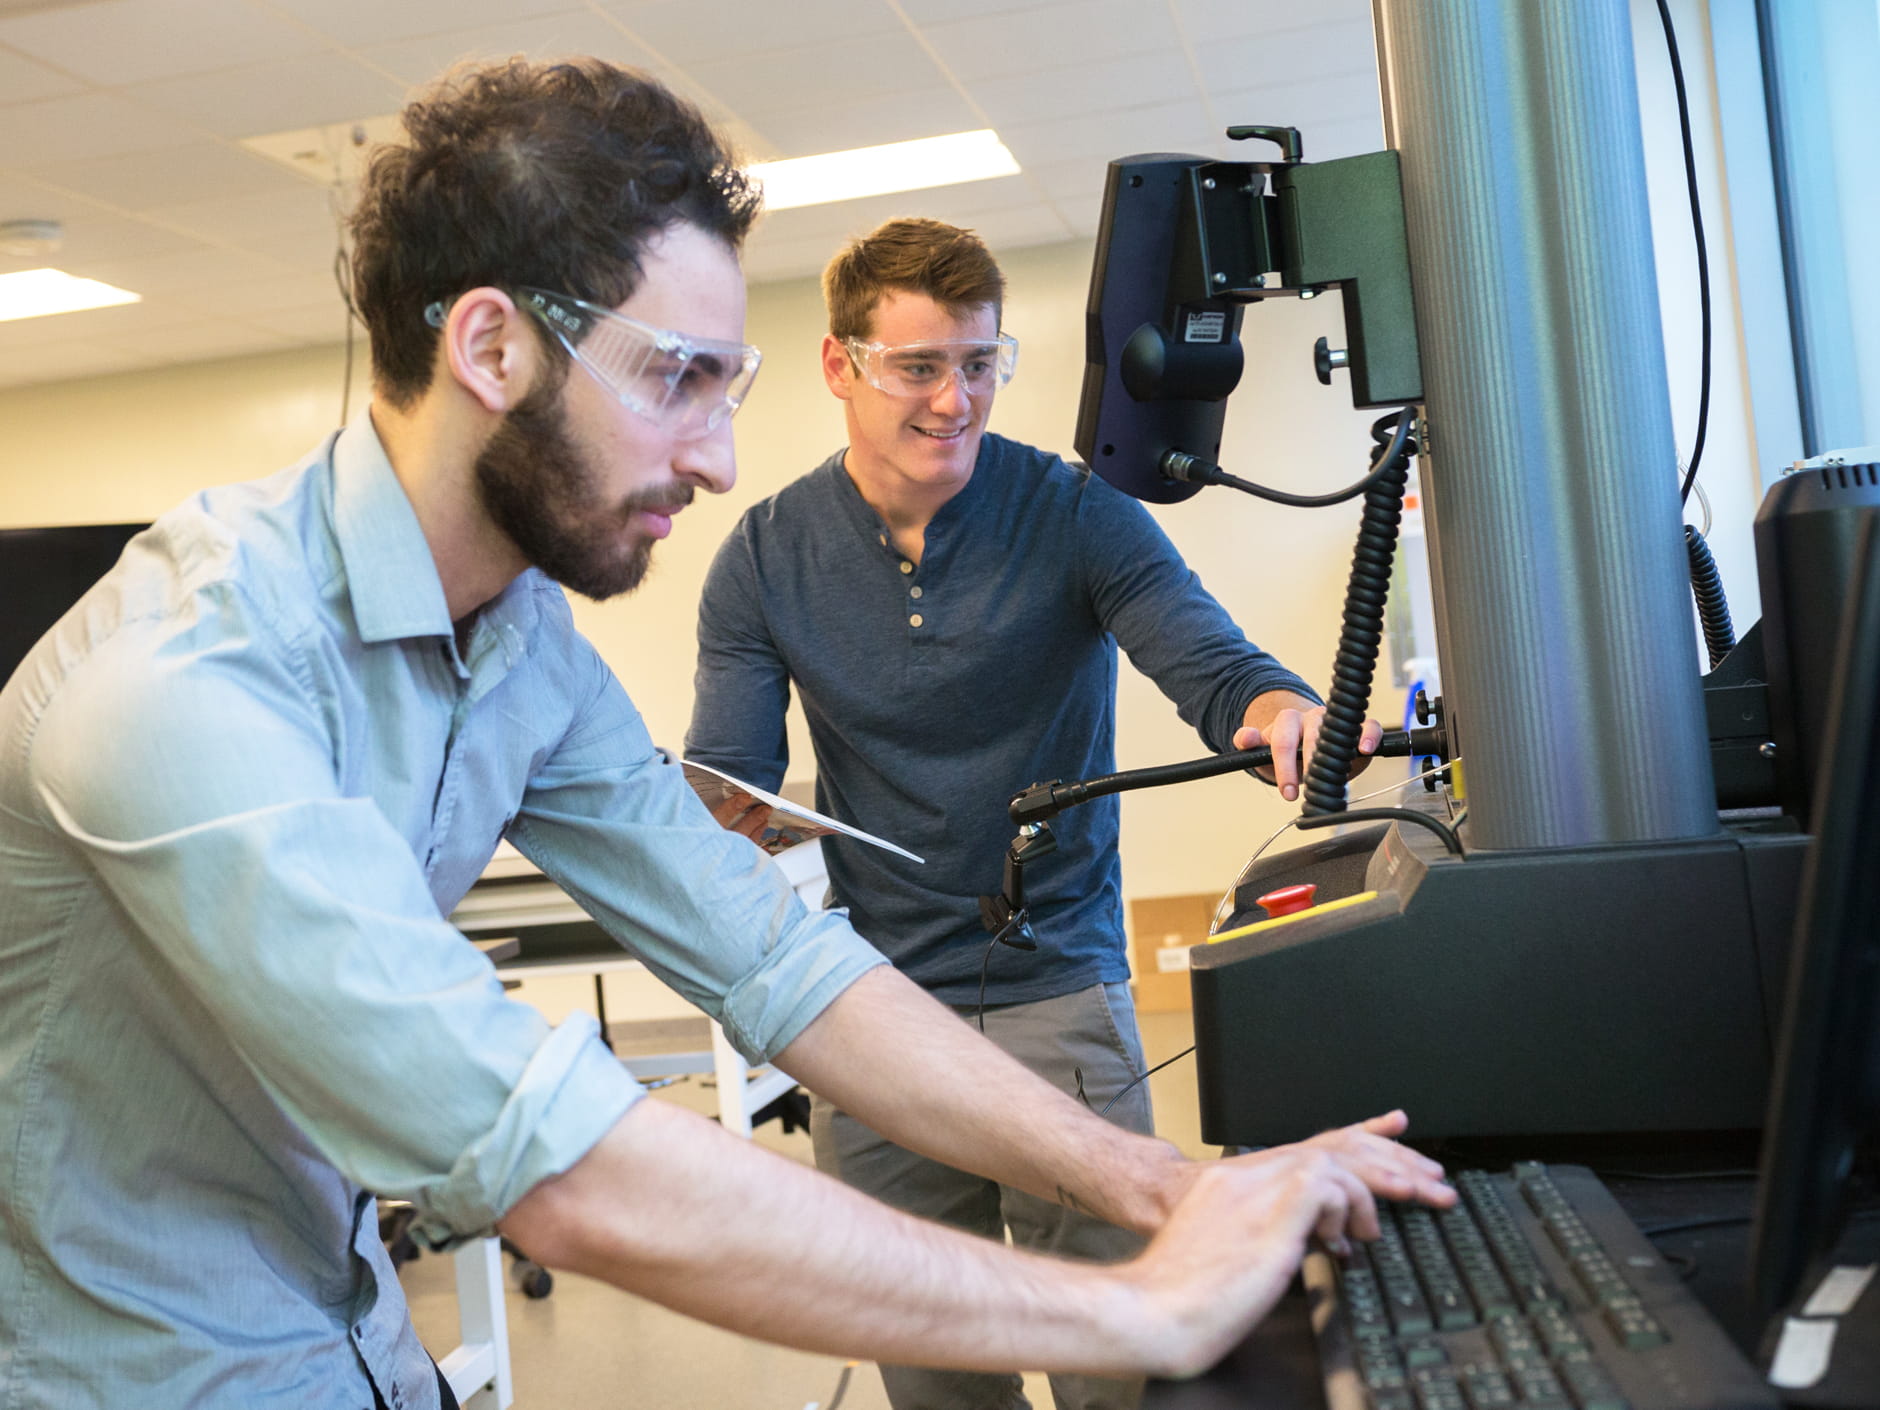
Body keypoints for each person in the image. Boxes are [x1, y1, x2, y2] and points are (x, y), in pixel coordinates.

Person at [0, 60, 1443, 1410]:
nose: (716, 453)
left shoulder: (519, 647)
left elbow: (770, 953)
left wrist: (1158, 1191)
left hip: (358, 1345)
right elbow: (549, 1160)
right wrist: (1138, 1312)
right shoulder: (179, 682)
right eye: (678, 377)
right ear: (492, 344)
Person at [686, 218, 1385, 1410]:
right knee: (930, 1368)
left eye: (979, 362)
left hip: (1054, 983)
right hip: (869, 1006)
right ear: (838, 365)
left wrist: (1276, 707)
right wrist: (726, 827)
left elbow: (1209, 660)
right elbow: (731, 771)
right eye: (917, 367)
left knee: (1116, 1356)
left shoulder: (1074, 513)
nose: (953, 400)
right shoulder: (761, 556)